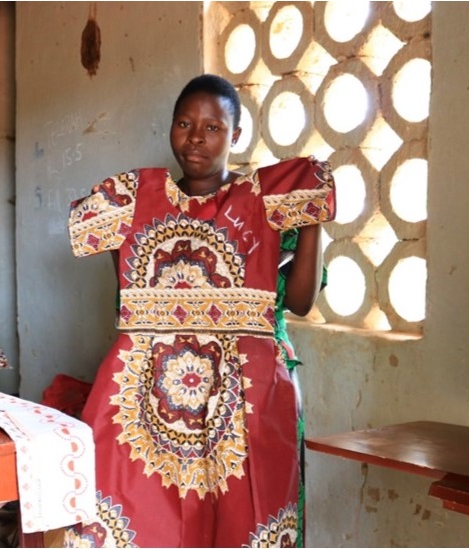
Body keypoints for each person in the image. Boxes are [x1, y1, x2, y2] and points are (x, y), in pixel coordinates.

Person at [65, 74, 336, 548]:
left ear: (236, 136)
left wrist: (309, 216)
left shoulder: (271, 203)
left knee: (244, 517)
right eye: (185, 123)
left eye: (213, 127)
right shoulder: (130, 204)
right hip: (151, 397)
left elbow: (300, 301)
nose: (195, 137)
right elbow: (129, 296)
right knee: (144, 516)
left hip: (245, 394)